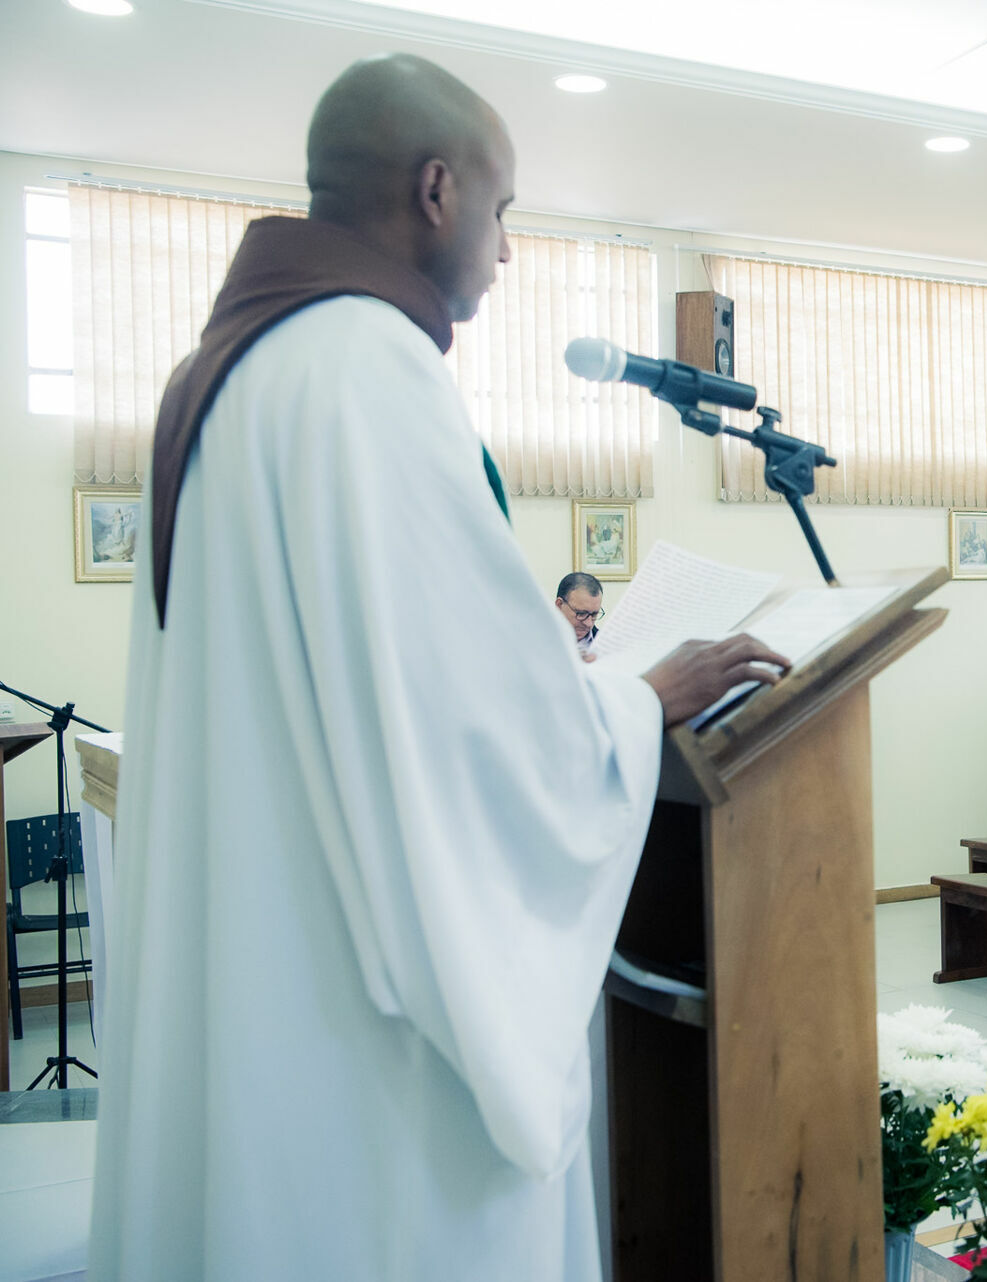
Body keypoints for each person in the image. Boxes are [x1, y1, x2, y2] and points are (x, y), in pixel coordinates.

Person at [93, 54, 789, 1282]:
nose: (508, 250)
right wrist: (638, 700)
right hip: (361, 1035)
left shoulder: (228, 371)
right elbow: (474, 729)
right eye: (505, 209)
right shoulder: (366, 368)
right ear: (435, 190)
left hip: (271, 945)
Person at [555, 571, 604, 661]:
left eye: (594, 614)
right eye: (581, 614)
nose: (588, 623)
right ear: (559, 605)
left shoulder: (605, 645)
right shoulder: (535, 641)